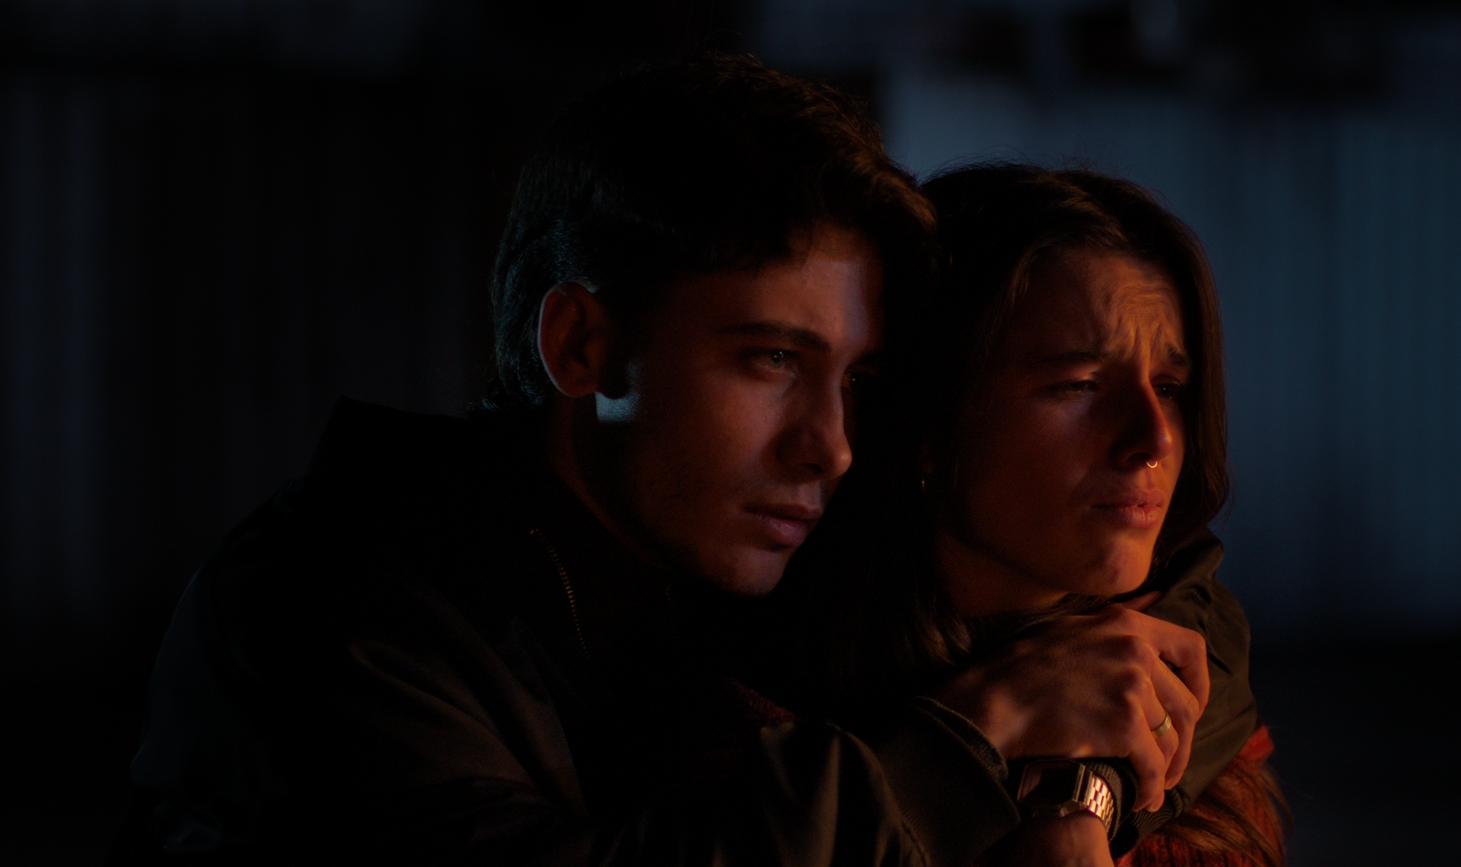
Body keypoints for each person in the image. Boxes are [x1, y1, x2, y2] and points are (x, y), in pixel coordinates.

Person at [108, 55, 1212, 865]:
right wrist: (971, 741)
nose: (829, 445)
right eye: (770, 359)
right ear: (582, 347)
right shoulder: (331, 611)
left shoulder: (708, 554)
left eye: (855, 383)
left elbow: (1176, 612)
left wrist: (1079, 792)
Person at [781, 164, 1284, 867]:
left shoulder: (1191, 672)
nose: (1155, 439)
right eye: (1080, 384)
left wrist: (1081, 793)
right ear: (929, 418)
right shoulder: (771, 728)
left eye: (1169, 387)